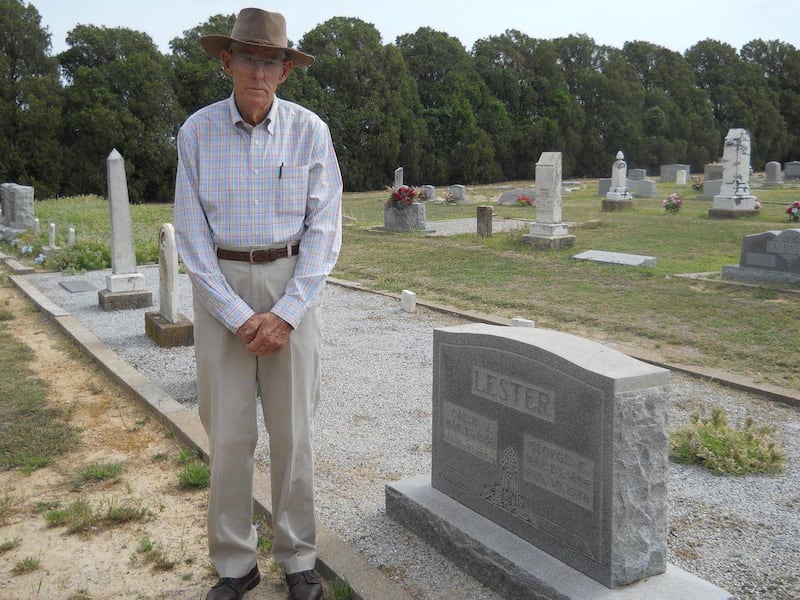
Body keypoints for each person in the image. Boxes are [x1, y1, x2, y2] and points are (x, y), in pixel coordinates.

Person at [174, 8, 342, 600]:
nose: (258, 71)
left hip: (290, 284)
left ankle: (298, 557)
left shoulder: (310, 132)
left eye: (270, 60)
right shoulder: (196, 132)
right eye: (247, 57)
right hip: (224, 291)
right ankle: (234, 563)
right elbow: (192, 240)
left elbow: (325, 230)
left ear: (285, 71)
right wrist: (241, 316)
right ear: (227, 62)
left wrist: (289, 311)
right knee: (227, 435)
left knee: (294, 432)